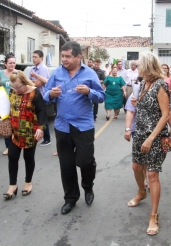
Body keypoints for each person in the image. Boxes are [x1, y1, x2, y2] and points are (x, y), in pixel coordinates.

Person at [43, 41, 105, 215]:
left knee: (85, 161)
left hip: (83, 125)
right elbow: (45, 95)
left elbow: (101, 97)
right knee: (66, 164)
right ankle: (70, 198)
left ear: (78, 57)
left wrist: (89, 92)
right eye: (62, 56)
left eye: (68, 56)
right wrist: (51, 94)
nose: (64, 59)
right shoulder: (57, 73)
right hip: (62, 126)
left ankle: (88, 187)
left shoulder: (90, 74)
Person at [127, 51, 171, 236]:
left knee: (152, 174)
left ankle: (153, 215)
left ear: (147, 66)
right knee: (137, 167)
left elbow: (165, 114)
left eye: (139, 65)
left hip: (156, 137)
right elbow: (146, 109)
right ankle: (141, 192)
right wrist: (138, 103)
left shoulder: (160, 85)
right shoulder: (144, 83)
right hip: (140, 134)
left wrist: (151, 137)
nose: (137, 68)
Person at [0, 71, 47, 200]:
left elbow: (41, 112)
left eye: (18, 87)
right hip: (15, 131)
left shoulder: (35, 93)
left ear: (24, 83)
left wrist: (41, 128)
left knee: (28, 158)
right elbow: (9, 107)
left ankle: (28, 182)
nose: (15, 90)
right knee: (12, 157)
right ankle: (12, 185)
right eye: (13, 87)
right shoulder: (13, 92)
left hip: (30, 132)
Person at [28, 50, 51, 146]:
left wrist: (31, 82)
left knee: (43, 118)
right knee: (34, 117)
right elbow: (28, 81)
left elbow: (38, 83)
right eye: (33, 57)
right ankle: (36, 136)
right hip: (34, 96)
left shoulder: (44, 69)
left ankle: (47, 138)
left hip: (42, 97)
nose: (33, 59)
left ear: (41, 58)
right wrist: (32, 81)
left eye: (35, 57)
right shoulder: (32, 69)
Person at [0, 54, 16, 155]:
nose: (12, 65)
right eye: (10, 63)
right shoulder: (0, 73)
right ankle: (8, 147)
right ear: (5, 64)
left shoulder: (18, 73)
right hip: (3, 102)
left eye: (14, 63)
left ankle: (16, 144)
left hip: (16, 102)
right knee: (6, 125)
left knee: (15, 124)